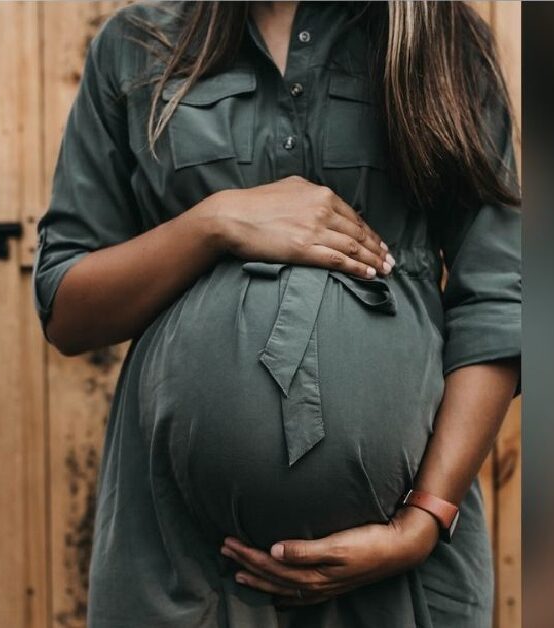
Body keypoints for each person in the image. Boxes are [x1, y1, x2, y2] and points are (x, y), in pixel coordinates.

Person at [32, 2, 521, 626]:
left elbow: (499, 297)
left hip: (403, 571)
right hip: (183, 570)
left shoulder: (440, 37)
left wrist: (425, 520)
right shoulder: (137, 44)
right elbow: (69, 310)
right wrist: (213, 224)